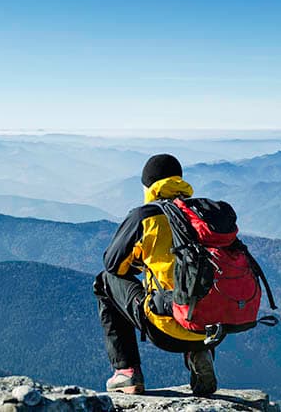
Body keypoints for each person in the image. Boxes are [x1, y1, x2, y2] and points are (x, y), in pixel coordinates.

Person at [93, 153, 217, 396]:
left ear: (148, 186)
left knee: (104, 282)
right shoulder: (203, 213)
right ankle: (198, 353)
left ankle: (126, 373)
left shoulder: (146, 216)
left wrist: (142, 261)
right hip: (209, 329)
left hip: (165, 327)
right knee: (195, 290)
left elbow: (113, 265)